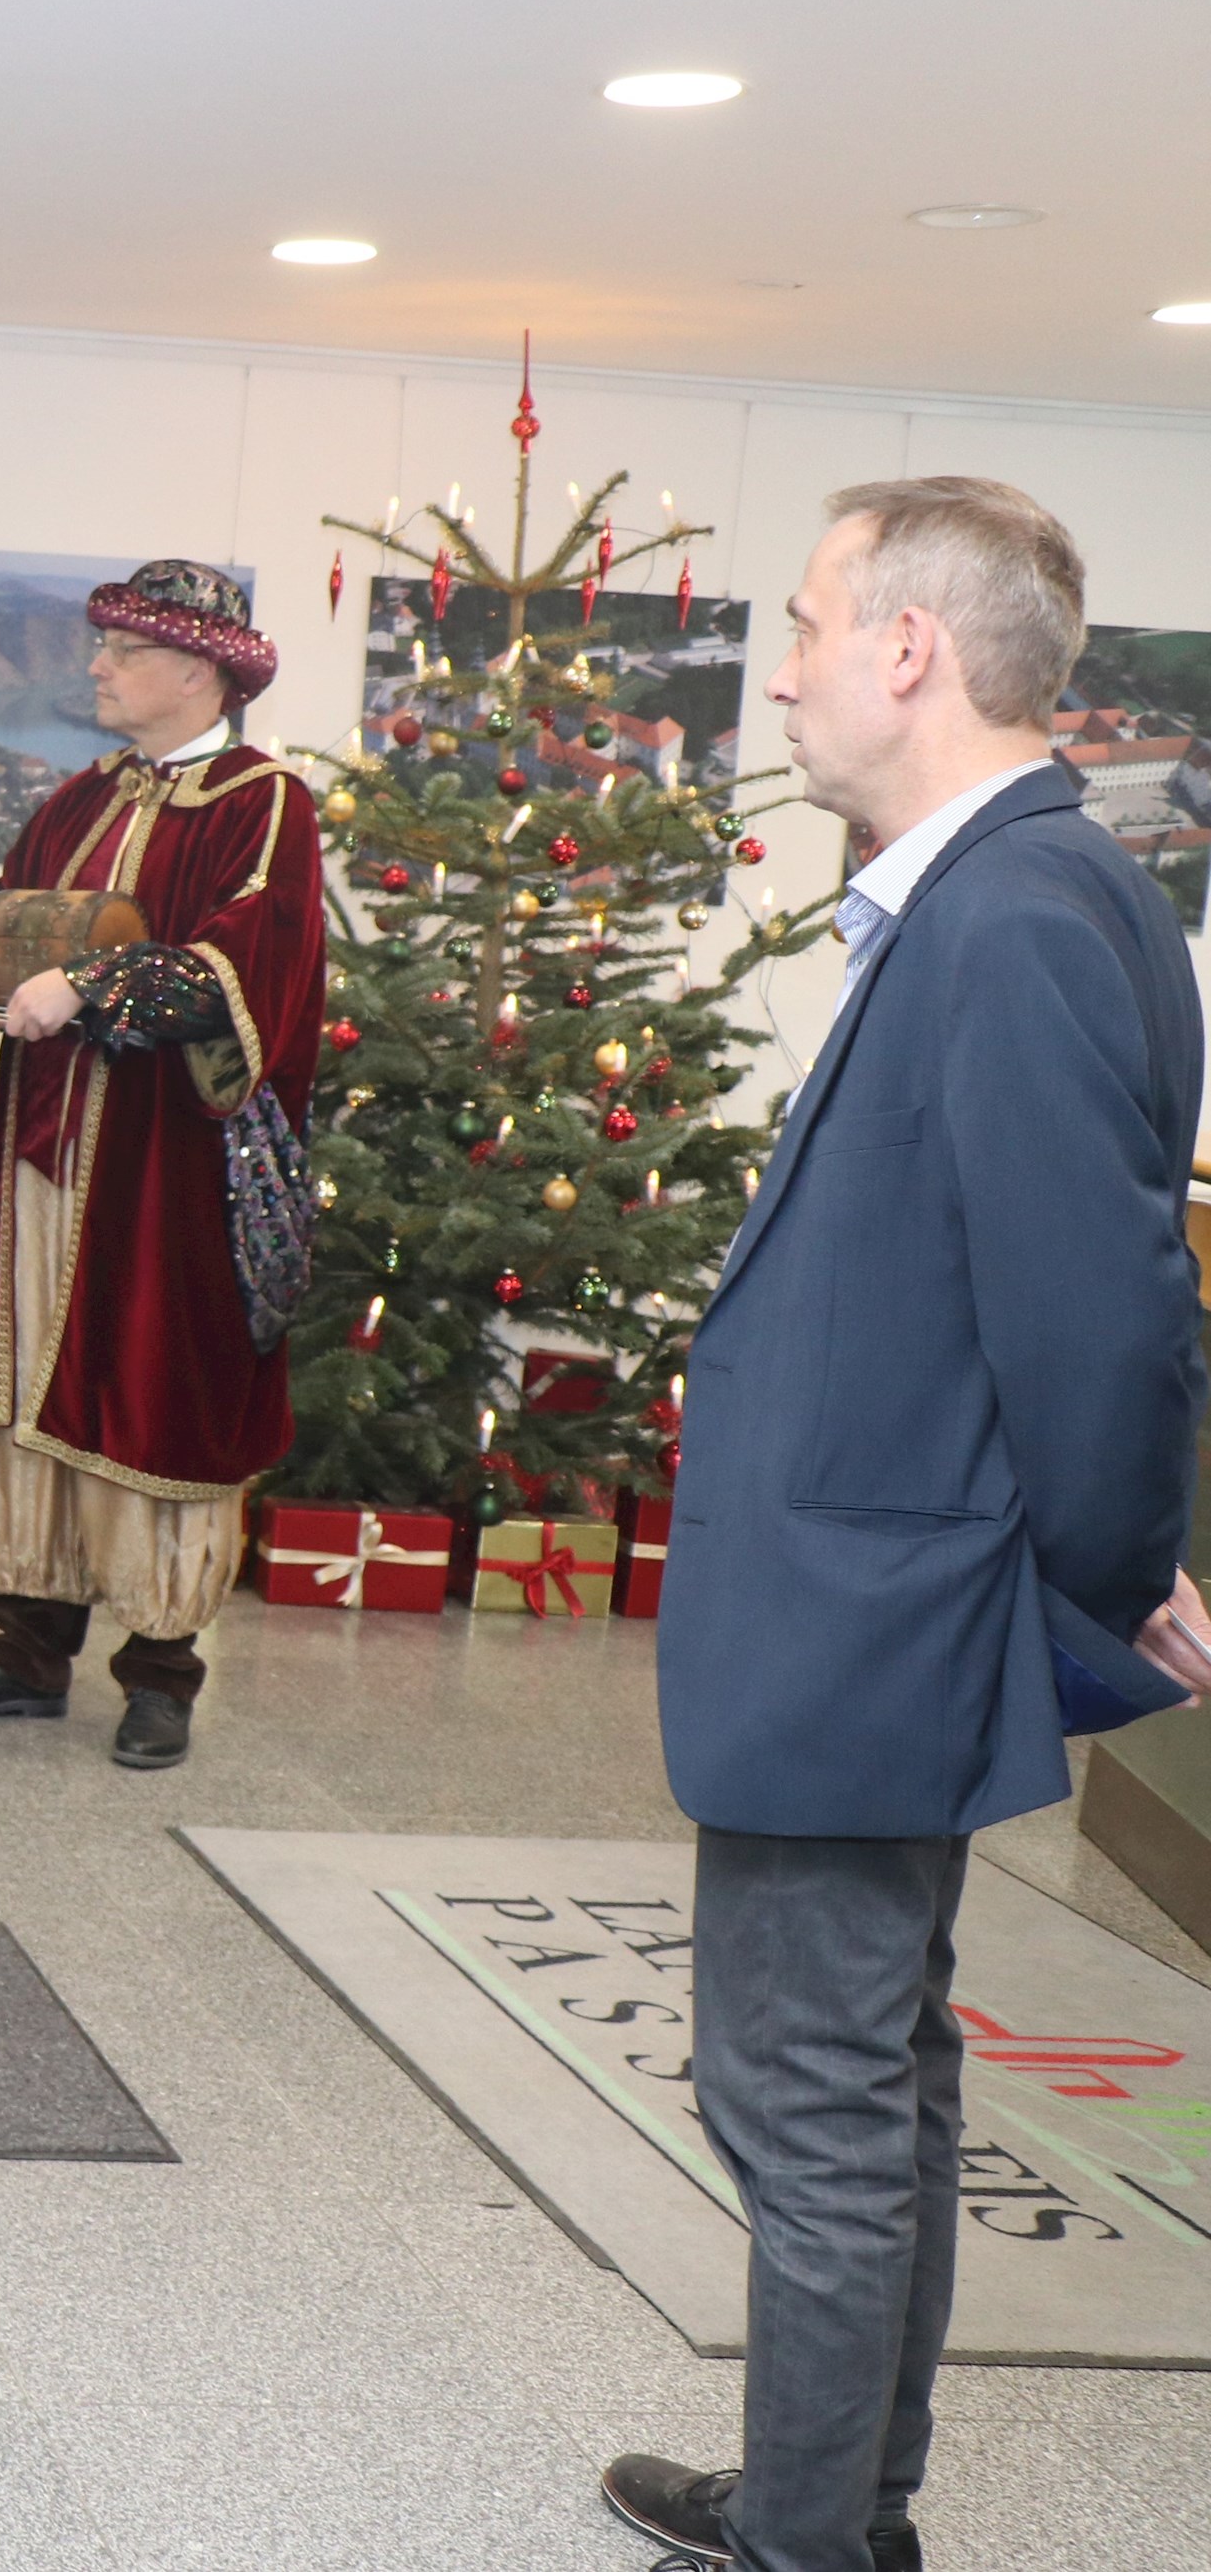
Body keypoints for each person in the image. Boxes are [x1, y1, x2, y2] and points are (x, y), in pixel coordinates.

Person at [598, 480, 1202, 2572]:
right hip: (882, 1589)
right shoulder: (1019, 892)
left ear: (907, 653)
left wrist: (1121, 1566)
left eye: (799, 621)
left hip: (870, 1608)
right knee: (871, 2074)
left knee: (807, 2098)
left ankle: (811, 2542)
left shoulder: (1015, 917)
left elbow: (1099, 1312)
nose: (772, 668)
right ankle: (823, 2496)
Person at [0, 560, 324, 1770]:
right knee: (33, 1370)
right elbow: (2, 915)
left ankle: (160, 1673)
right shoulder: (76, 798)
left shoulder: (265, 804)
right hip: (42, 1154)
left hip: (163, 1167)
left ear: (195, 672)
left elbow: (255, 964)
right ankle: (26, 1648)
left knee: (154, 1389)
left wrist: (92, 984)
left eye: (118, 652)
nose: (93, 668)